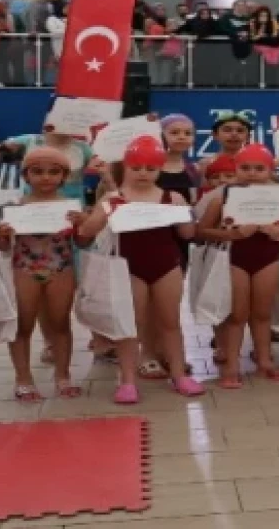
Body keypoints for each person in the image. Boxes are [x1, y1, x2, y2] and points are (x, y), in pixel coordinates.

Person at [77, 136, 199, 402]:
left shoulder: (172, 197)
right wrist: (102, 213)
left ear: (160, 169)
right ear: (126, 166)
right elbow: (86, 232)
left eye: (150, 168)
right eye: (137, 167)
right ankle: (128, 380)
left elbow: (187, 234)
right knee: (129, 327)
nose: (143, 173)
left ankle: (179, 374)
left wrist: (186, 213)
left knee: (170, 323)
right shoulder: (114, 198)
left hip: (166, 266)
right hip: (128, 268)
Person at [0, 147, 86, 401]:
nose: (46, 177)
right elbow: (1, 247)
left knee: (61, 323)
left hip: (61, 268)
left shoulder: (70, 208)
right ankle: (23, 378)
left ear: (64, 176)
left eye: (53, 172)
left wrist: (83, 225)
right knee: (22, 325)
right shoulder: (14, 207)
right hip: (25, 269)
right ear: (25, 175)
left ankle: (63, 376)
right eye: (38, 171)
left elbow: (83, 242)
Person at [198, 144, 279, 387]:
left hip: (267, 257)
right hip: (235, 258)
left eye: (259, 168)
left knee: (262, 314)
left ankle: (265, 362)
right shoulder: (222, 197)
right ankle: (232, 365)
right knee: (237, 315)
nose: (252, 173)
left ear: (270, 170)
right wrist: (232, 234)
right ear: (236, 168)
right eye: (245, 168)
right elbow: (201, 232)